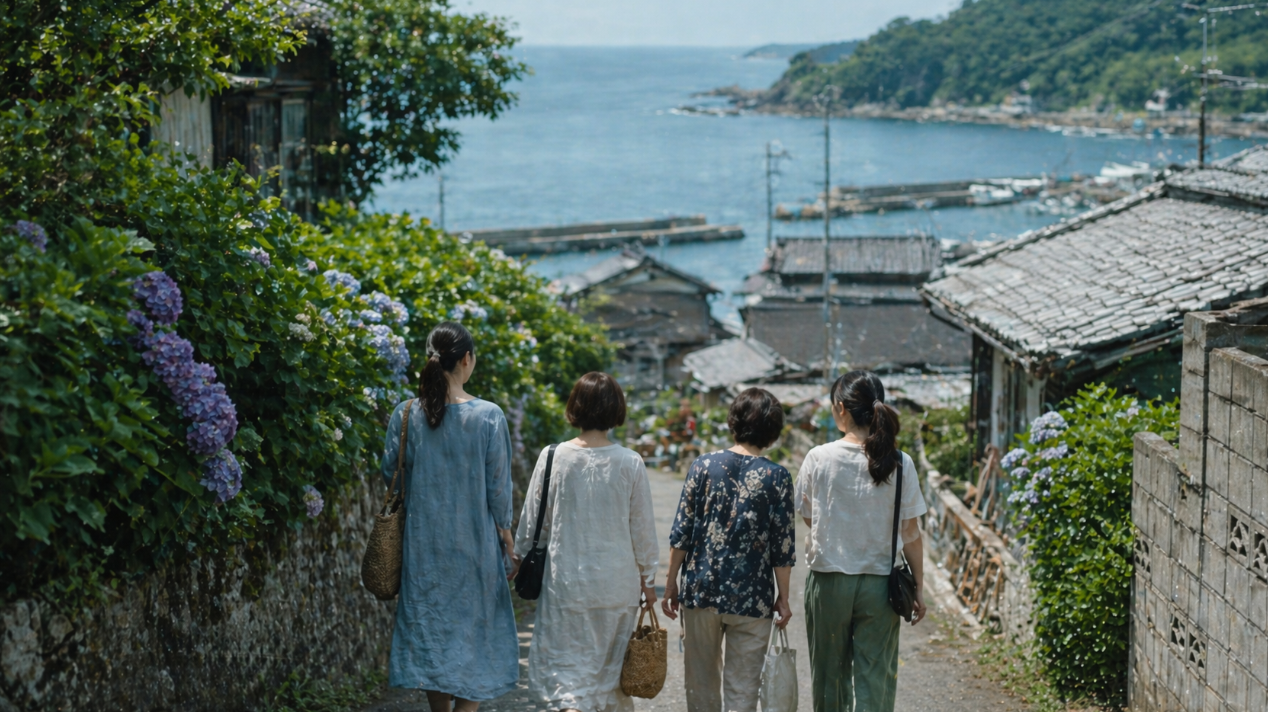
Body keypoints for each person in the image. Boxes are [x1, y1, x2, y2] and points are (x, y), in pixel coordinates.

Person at [380, 321, 519, 712]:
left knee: (432, 630)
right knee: (478, 633)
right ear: (467, 360)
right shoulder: (488, 416)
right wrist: (507, 540)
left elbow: (390, 472)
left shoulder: (406, 413)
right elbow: (498, 490)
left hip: (423, 547)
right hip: (474, 547)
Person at [515, 371, 659, 712]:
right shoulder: (630, 461)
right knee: (609, 672)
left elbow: (535, 520)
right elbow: (642, 528)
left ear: (574, 406)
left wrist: (519, 557)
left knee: (567, 666)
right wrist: (648, 580)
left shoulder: (554, 457)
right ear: (616, 409)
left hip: (567, 581)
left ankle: (571, 705)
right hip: (616, 584)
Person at [796, 371, 928, 712]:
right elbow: (911, 532)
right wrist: (921, 586)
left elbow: (810, 517)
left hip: (829, 582)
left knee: (829, 677)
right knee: (876, 679)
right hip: (881, 586)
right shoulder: (900, 461)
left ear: (841, 409)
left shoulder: (819, 457)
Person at [662, 387, 796, 712]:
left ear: (733, 422)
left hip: (701, 591)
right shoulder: (777, 477)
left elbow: (682, 533)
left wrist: (670, 583)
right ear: (773, 431)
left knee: (701, 688)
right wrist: (784, 596)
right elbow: (783, 546)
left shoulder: (703, 466)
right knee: (743, 694)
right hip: (752, 599)